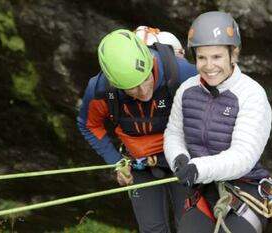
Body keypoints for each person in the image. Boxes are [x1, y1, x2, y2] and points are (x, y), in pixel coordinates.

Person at [77, 29, 198, 233]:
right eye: (132, 88)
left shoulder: (182, 73)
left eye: (145, 79)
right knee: (152, 229)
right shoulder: (100, 89)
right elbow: (89, 125)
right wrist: (116, 162)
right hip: (140, 164)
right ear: (114, 83)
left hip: (182, 158)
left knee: (190, 227)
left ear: (150, 61)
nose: (143, 92)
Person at [164, 11, 272, 233]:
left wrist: (198, 168)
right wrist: (180, 159)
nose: (208, 65)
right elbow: (174, 133)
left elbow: (244, 156)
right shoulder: (187, 90)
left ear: (234, 55)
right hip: (204, 190)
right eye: (201, 57)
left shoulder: (251, 94)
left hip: (245, 187)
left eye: (217, 57)